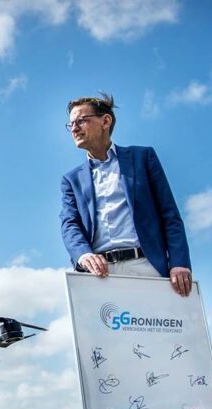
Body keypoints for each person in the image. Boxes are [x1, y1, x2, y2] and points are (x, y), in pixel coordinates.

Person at [59, 93, 192, 297]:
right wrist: (83, 255)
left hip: (147, 267)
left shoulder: (143, 158)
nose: (74, 128)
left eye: (81, 121)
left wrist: (179, 262)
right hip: (99, 275)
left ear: (106, 121)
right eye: (71, 124)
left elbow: (169, 215)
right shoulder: (71, 180)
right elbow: (69, 224)